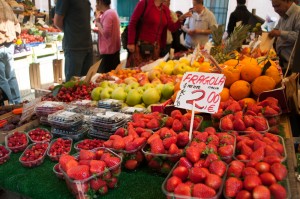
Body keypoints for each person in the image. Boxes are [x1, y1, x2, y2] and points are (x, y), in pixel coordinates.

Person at [126, 0, 191, 68]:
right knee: (136, 72)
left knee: (150, 72)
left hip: (155, 48)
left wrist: (181, 18)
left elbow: (172, 28)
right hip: (140, 46)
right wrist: (131, 43)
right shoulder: (144, 3)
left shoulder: (165, 9)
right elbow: (132, 23)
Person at [54, 0, 93, 81]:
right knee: (72, 84)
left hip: (88, 46)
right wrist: (72, 33)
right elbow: (57, 21)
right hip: (74, 48)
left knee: (87, 82)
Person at [268, 0, 300, 74]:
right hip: (283, 63)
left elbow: (298, 38)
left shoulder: (298, 14)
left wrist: (279, 33)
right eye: (274, 7)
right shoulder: (283, 15)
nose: (275, 10)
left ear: (287, 1)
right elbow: (276, 29)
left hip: (293, 68)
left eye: (278, 6)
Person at [0, 0, 22, 105]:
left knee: (2, 79)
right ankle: (17, 102)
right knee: (11, 75)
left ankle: (9, 104)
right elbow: (17, 25)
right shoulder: (6, 4)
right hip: (9, 46)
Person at [95, 0, 121, 73]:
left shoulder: (108, 14)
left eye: (97, 3)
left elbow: (106, 33)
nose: (96, 5)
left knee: (106, 76)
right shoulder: (113, 12)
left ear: (100, 2)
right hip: (114, 51)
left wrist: (98, 22)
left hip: (108, 52)